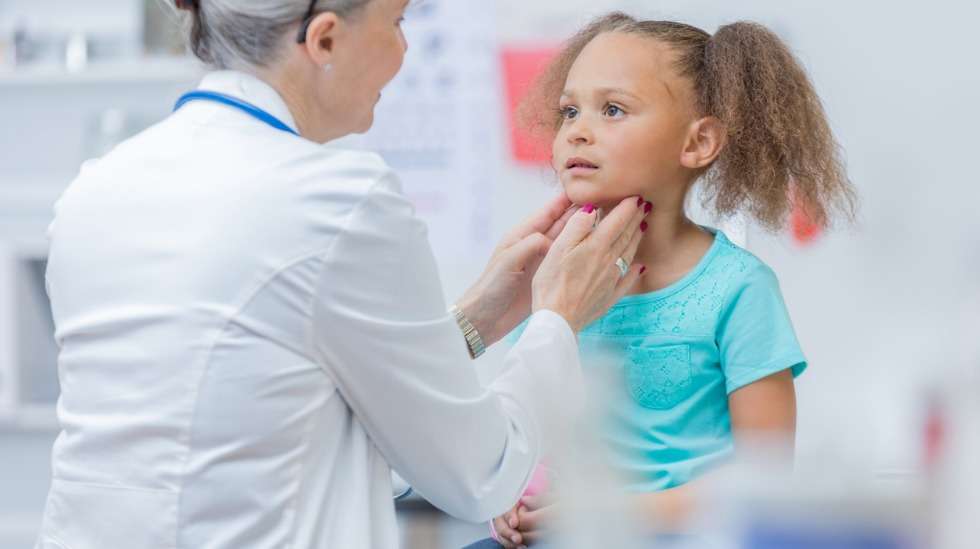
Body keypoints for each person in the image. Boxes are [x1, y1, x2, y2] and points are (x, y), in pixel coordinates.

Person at [33, 2, 650, 548]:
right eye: (398, 21)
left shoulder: (97, 187)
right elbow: (481, 471)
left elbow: (274, 401)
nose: (406, 51)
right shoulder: (333, 199)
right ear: (325, 40)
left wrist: (475, 321)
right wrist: (559, 318)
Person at [478, 12, 857, 548]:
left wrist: (611, 509)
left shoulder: (739, 289)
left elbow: (765, 483)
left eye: (612, 109)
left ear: (699, 143)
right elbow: (522, 433)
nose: (576, 131)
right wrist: (508, 499)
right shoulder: (549, 283)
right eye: (569, 111)